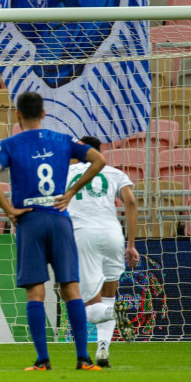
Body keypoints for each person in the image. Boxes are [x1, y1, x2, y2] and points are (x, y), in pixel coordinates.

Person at [0, 91, 107, 371]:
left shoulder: (9, 144)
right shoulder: (63, 140)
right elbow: (99, 160)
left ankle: (43, 361)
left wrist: (9, 210)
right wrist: (72, 191)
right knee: (71, 288)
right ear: (43, 113)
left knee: (35, 293)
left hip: (29, 221)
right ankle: (83, 359)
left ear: (18, 115)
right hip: (59, 218)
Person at [66, 136, 139, 367]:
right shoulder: (115, 173)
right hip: (112, 235)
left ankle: (113, 312)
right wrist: (131, 244)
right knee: (109, 295)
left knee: (89, 306)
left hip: (82, 236)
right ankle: (103, 351)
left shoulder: (67, 172)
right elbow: (131, 202)